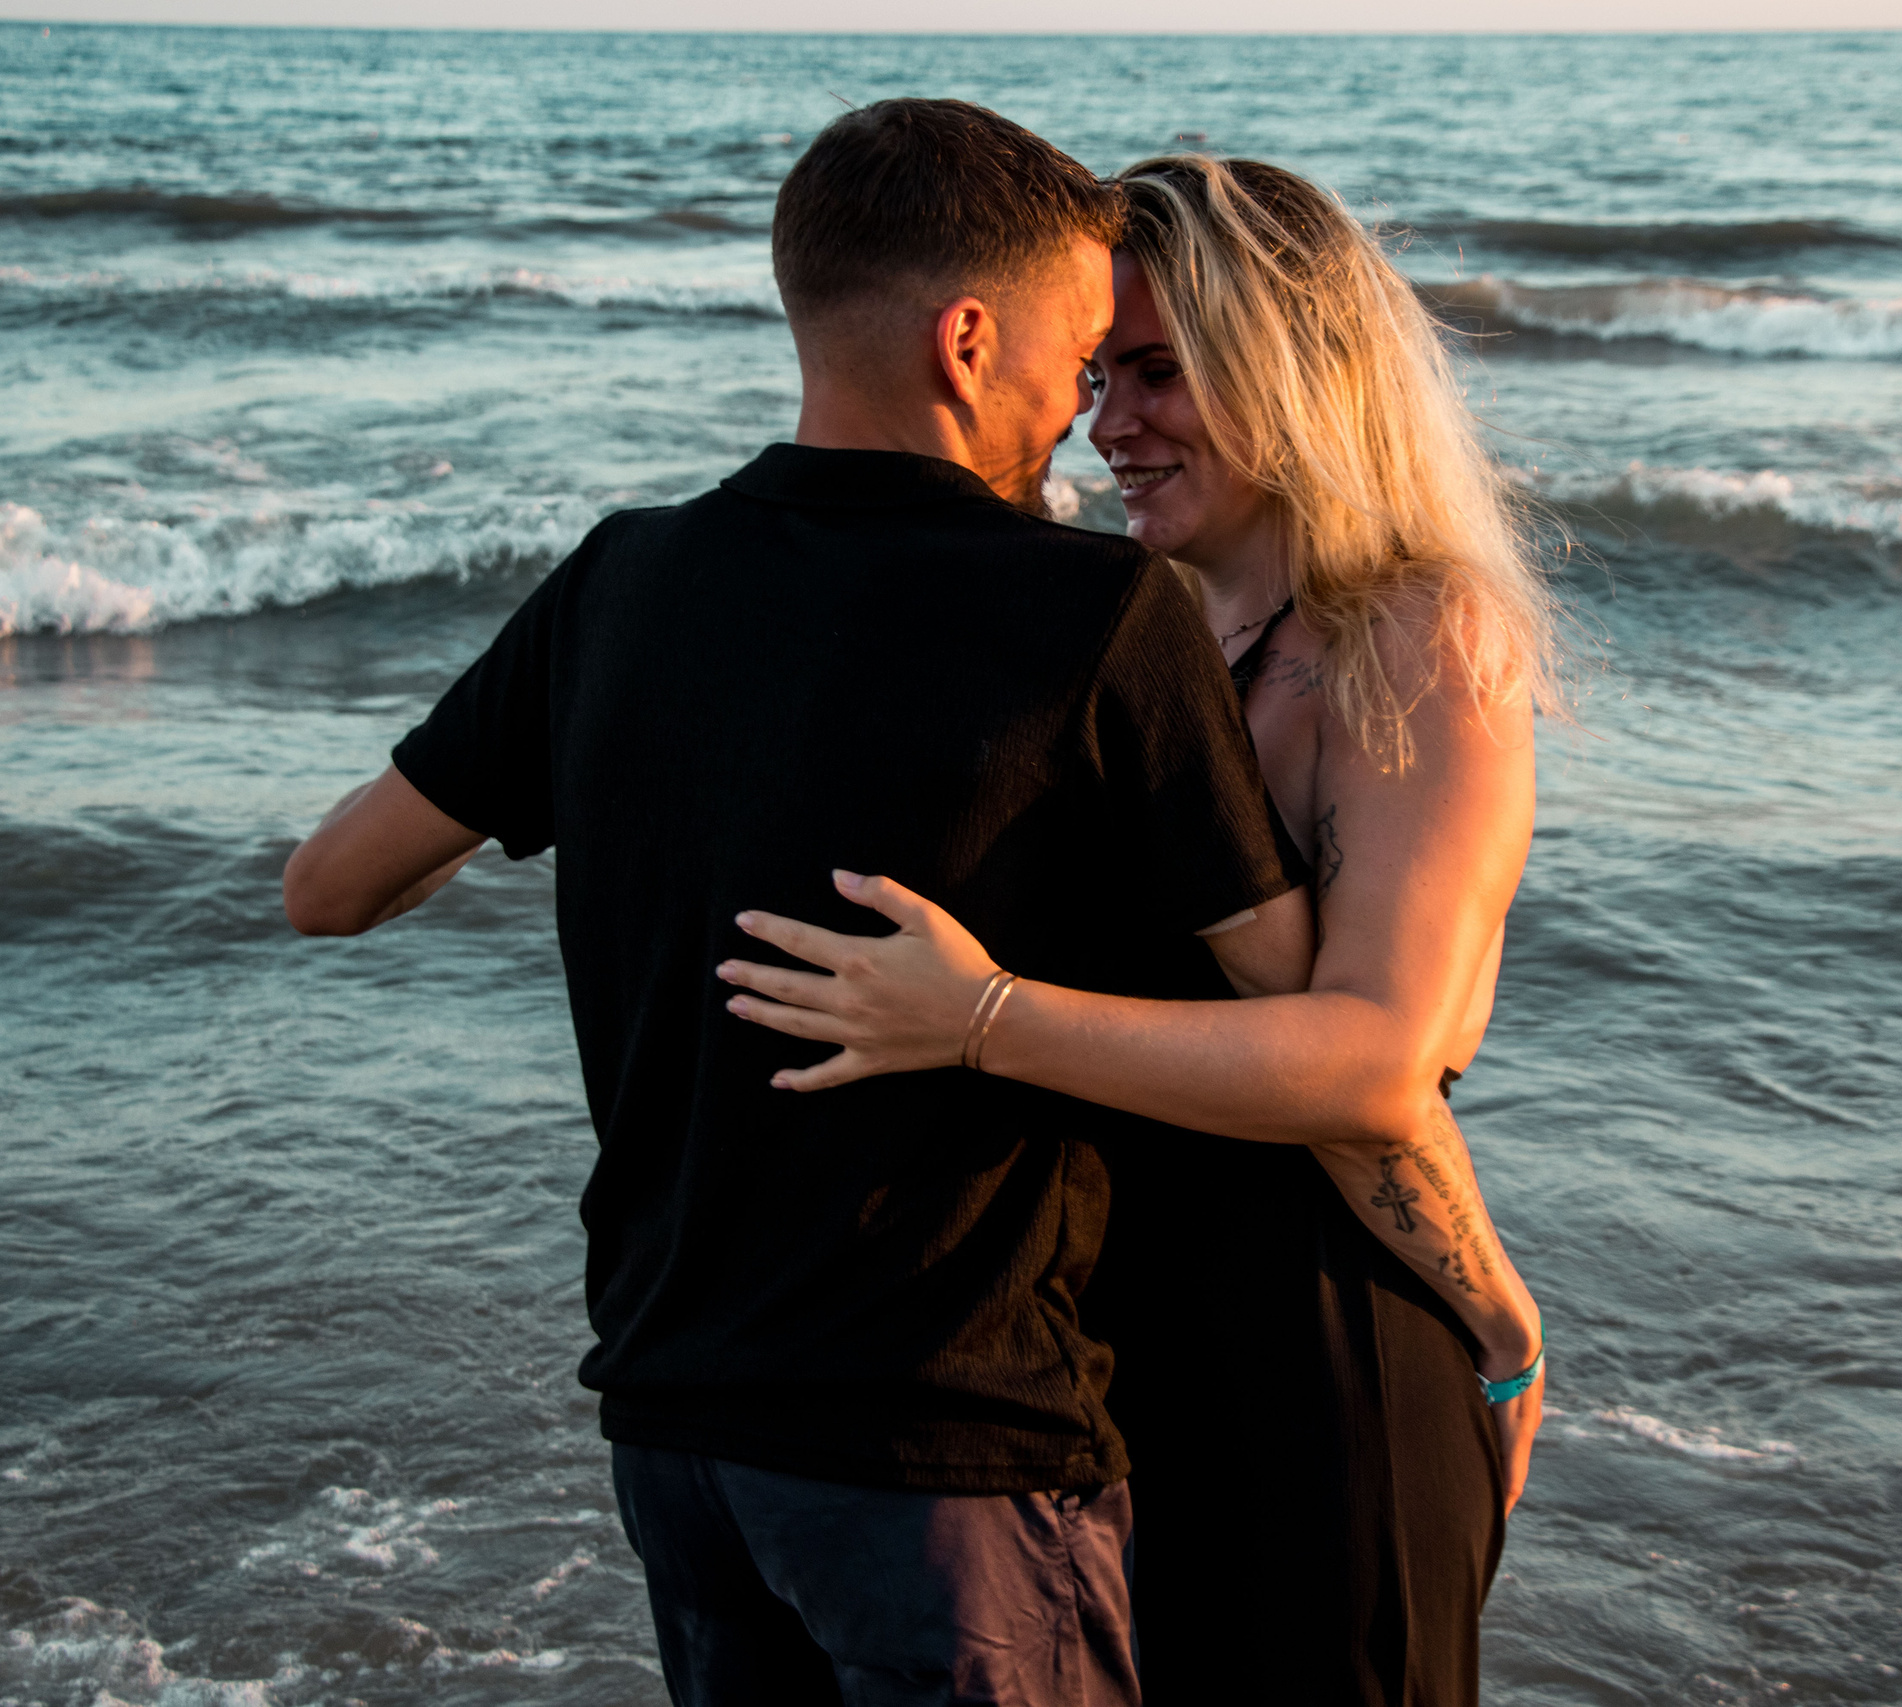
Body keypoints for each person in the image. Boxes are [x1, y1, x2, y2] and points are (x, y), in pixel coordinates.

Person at [282, 104, 1321, 1707]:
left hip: (678, 1434)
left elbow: (330, 887)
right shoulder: (1099, 609)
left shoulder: (617, 582)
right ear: (966, 343)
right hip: (952, 1447)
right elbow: (1289, 978)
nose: (1083, 416)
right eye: (1075, 363)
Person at [718, 156, 1558, 1707]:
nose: (1109, 423)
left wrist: (981, 1018)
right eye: (1099, 374)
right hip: (1105, 1362)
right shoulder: (1133, 622)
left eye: (1161, 372)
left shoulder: (1413, 637)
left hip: (1325, 1359)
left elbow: (1375, 1060)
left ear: (1295, 365)